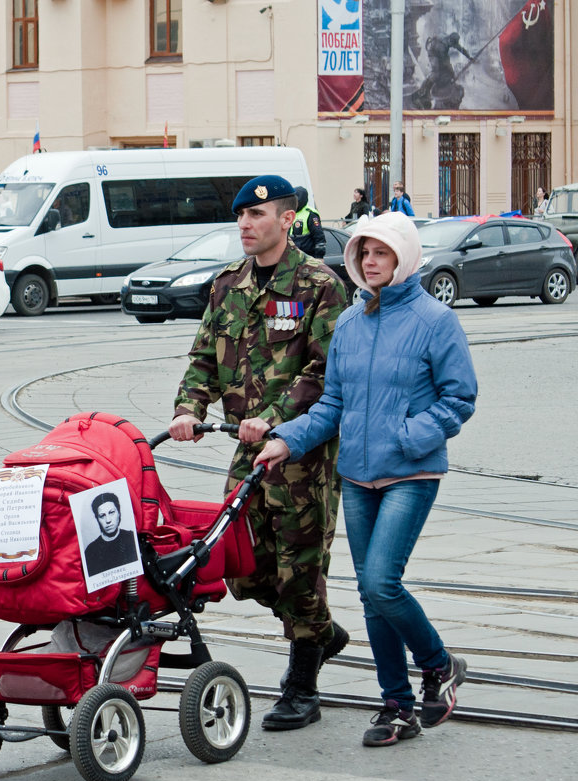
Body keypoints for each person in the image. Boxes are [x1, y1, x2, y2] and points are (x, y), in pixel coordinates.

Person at [254, 211, 477, 747]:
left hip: (410, 472)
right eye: (364, 253)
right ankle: (396, 707)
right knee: (373, 597)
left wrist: (407, 436)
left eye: (382, 253)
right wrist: (287, 439)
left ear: (403, 258)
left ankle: (438, 663)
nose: (371, 262)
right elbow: (333, 403)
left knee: (381, 582)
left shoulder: (434, 320)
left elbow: (459, 399)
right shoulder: (350, 324)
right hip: (356, 474)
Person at [170, 175, 350, 732]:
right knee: (240, 566)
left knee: (300, 568)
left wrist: (274, 417)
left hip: (302, 452)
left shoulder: (321, 285)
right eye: (241, 217)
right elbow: (204, 353)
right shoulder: (228, 285)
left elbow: (325, 372)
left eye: (257, 215)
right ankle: (320, 630)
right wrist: (188, 408)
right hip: (245, 450)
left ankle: (302, 684)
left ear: (286, 219)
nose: (245, 225)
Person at [82, 493, 138, 574]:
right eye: (102, 516)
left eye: (111, 512)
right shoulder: (91, 551)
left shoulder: (132, 538)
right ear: (97, 519)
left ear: (119, 513)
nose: (108, 520)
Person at [291, 186, 326, 258]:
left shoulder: (310, 214)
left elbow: (319, 236)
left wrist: (319, 256)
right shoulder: (291, 214)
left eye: (296, 199)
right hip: (292, 257)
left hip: (307, 257)